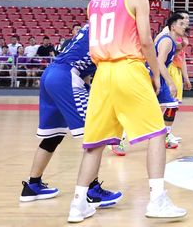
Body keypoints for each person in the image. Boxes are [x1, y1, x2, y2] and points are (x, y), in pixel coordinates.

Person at [67, 0, 186, 222]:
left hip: (102, 74)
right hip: (128, 68)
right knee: (157, 133)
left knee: (95, 143)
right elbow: (145, 41)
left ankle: (78, 204)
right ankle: (157, 200)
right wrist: (156, 75)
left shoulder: (94, 2)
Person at [20, 24, 121, 208]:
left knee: (53, 136)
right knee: (96, 133)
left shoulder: (90, 27)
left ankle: (32, 186)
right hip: (66, 78)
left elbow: (84, 65)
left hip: (51, 74)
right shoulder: (108, 30)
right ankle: (91, 191)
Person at [153, 13, 188, 149]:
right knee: (139, 110)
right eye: (181, 24)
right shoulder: (166, 40)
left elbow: (174, 52)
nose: (184, 26)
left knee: (172, 105)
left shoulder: (172, 42)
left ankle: (165, 136)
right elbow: (159, 62)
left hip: (159, 76)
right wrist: (171, 83)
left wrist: (182, 46)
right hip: (151, 76)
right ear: (173, 27)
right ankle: (118, 139)